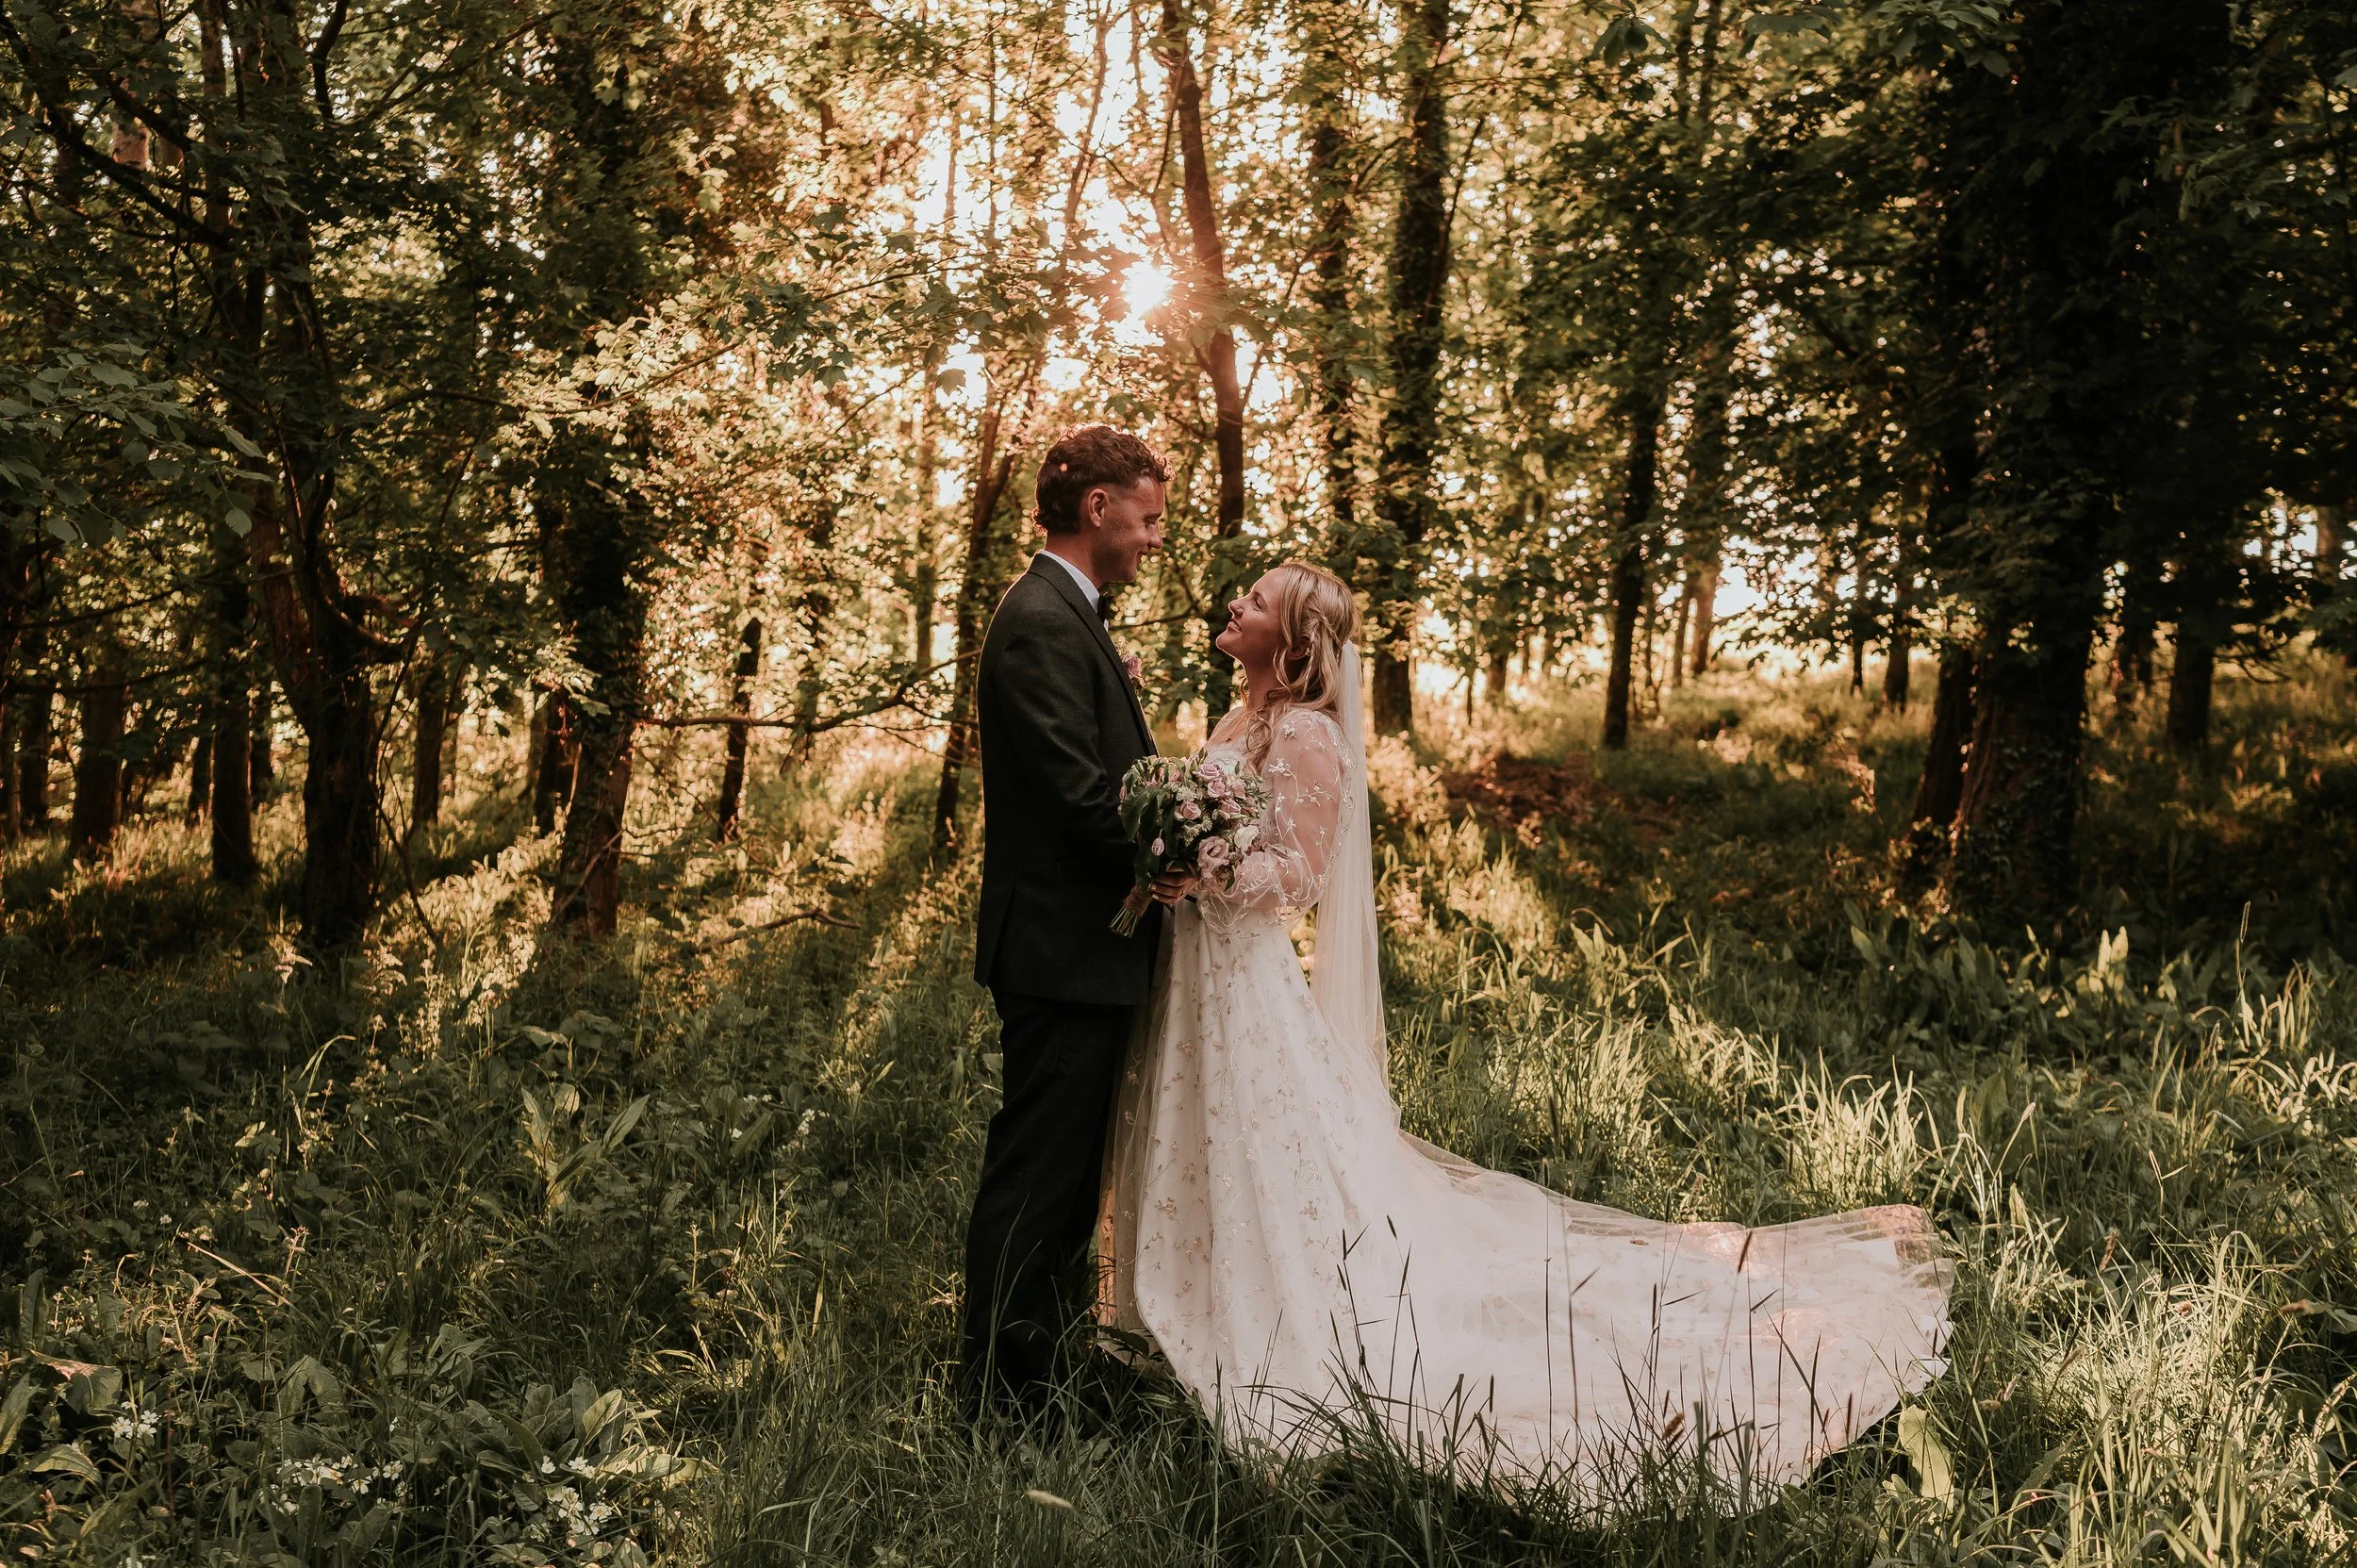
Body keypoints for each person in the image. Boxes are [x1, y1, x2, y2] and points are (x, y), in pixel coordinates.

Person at [1101, 560, 1953, 1506]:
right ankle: (1187, 1296)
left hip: (1246, 982)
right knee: (1208, 1139)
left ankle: (1274, 1314)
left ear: (1294, 639)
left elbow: (1297, 877)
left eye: (1254, 601)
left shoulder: (1306, 734)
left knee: (1268, 1152)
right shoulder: (1231, 723)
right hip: (1196, 975)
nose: (1234, 604)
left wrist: (1211, 871)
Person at [961, 423, 1183, 1415]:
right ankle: (1003, 1396)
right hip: (1059, 948)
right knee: (1037, 1179)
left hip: (1076, 947)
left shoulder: (1066, 612)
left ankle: (1042, 1363)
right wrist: (1184, 852)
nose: (1151, 540)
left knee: (1061, 1181)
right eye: (1145, 519)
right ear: (1096, 509)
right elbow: (1078, 796)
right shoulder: (1044, 619)